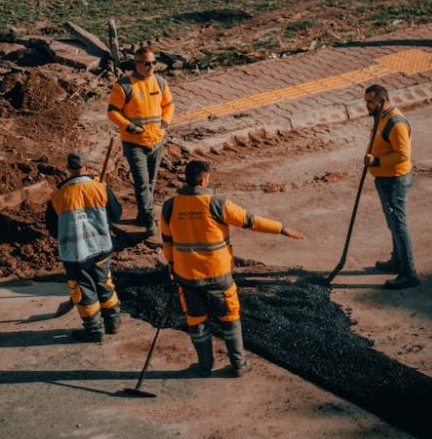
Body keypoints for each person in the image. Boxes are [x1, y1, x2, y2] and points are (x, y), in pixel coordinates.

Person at [161, 159, 305, 378]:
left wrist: (171, 265)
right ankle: (239, 364)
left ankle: (204, 366)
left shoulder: (170, 206)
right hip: (217, 274)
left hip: (186, 275)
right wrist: (282, 229)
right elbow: (250, 220)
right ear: (204, 179)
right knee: (229, 317)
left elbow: (167, 240)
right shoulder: (216, 204)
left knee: (196, 321)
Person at [45, 151, 123, 343]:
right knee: (105, 283)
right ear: (86, 167)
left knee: (83, 290)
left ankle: (94, 330)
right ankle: (113, 322)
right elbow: (117, 214)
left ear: (68, 170)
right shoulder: (101, 189)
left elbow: (52, 228)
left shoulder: (58, 195)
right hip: (101, 248)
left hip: (76, 254)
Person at [107, 42, 174, 239]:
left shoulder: (160, 82)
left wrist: (164, 124)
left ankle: (141, 214)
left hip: (156, 141)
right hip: (134, 142)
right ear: (136, 64)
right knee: (142, 182)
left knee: (150, 181)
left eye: (153, 63)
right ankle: (148, 217)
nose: (151, 66)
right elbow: (112, 112)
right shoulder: (123, 85)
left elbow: (169, 105)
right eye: (147, 64)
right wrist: (129, 126)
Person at [364, 84, 419, 289]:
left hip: (395, 180)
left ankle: (409, 273)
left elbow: (403, 155)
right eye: (366, 102)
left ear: (382, 101)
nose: (367, 106)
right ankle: (397, 260)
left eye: (370, 102)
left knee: (398, 225)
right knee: (392, 224)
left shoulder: (395, 123)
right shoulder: (381, 117)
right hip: (384, 179)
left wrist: (376, 161)